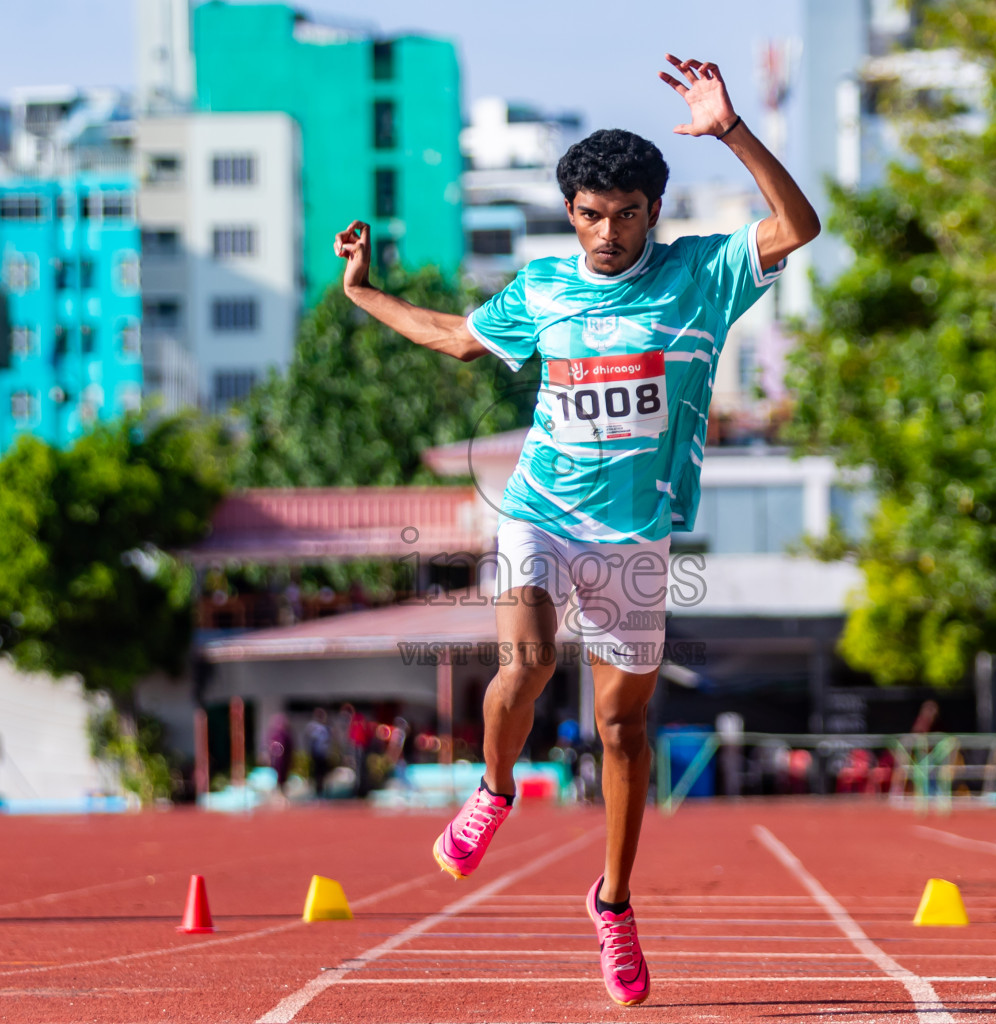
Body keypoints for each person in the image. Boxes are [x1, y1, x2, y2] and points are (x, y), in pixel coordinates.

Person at [333, 54, 819, 1007]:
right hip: (541, 510)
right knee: (525, 664)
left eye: (625, 213)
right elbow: (453, 336)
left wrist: (730, 130)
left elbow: (799, 227)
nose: (606, 232)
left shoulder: (705, 276)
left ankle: (614, 904)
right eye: (590, 214)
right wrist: (362, 293)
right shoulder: (545, 288)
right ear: (571, 213)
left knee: (621, 728)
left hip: (634, 537)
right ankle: (496, 789)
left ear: (653, 211)